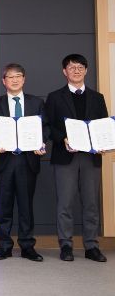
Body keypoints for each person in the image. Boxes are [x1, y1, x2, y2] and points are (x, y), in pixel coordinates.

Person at [45, 54, 109, 262]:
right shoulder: (55, 97)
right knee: (65, 203)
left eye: (80, 67)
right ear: (64, 71)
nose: (76, 71)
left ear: (86, 71)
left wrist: (104, 142)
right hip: (66, 156)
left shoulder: (97, 97)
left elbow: (103, 126)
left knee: (91, 203)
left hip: (91, 157)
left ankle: (91, 246)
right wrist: (62, 139)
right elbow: (48, 125)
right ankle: (66, 245)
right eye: (72, 67)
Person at [0, 63, 48, 262]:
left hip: (28, 160)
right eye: (10, 77)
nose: (14, 80)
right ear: (3, 81)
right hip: (4, 160)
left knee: (26, 206)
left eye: (18, 76)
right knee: (4, 206)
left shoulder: (36, 103)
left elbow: (45, 127)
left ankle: (27, 246)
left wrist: (42, 143)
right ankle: (4, 246)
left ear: (24, 79)